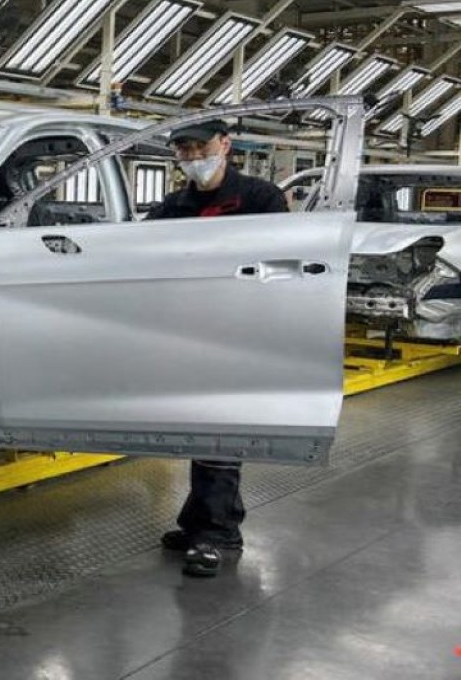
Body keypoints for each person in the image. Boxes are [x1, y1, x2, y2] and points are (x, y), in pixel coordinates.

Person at [146, 119, 289, 578]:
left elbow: (280, 260)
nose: (191, 156)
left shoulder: (261, 198)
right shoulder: (173, 205)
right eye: (182, 149)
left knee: (219, 433)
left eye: (199, 146)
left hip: (238, 330)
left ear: (224, 145)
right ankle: (204, 522)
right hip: (189, 330)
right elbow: (138, 251)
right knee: (203, 430)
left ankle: (215, 535)